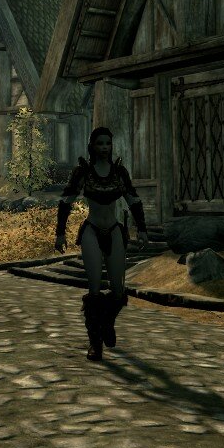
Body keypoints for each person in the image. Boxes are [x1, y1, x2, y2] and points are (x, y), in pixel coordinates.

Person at [56, 127, 147, 361]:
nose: (104, 147)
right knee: (94, 291)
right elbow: (65, 202)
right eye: (100, 143)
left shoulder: (119, 172)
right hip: (92, 231)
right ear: (92, 146)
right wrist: (60, 233)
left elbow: (134, 201)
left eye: (108, 143)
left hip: (114, 230)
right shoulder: (83, 172)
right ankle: (95, 342)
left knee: (118, 291)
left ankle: (107, 322)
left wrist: (142, 229)